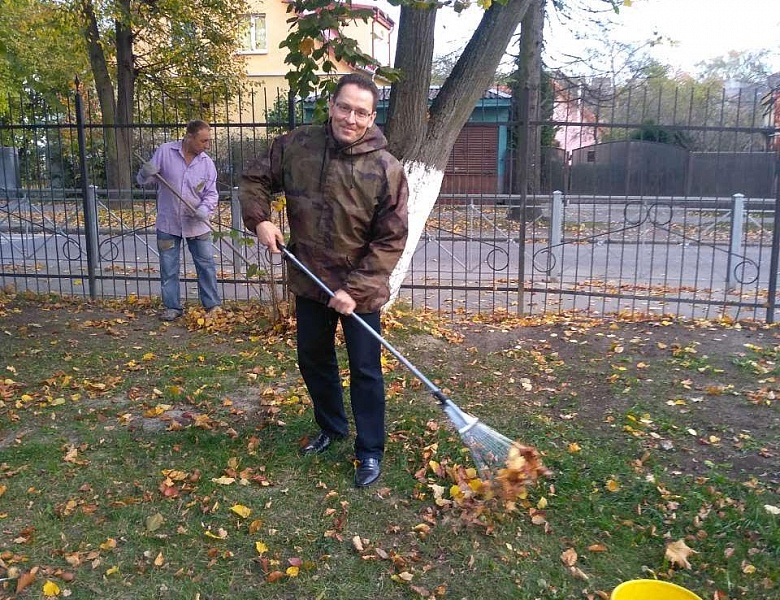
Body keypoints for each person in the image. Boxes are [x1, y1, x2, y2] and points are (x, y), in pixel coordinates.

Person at [239, 73, 409, 488]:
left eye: (361, 112)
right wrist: (260, 220)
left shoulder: (386, 168)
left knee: (365, 369)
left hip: (358, 291)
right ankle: (332, 427)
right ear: (332, 105)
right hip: (310, 278)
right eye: (345, 107)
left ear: (372, 118)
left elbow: (391, 238)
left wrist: (354, 290)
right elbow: (254, 179)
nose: (351, 118)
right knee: (313, 359)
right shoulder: (297, 146)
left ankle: (369, 449)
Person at [137, 119, 221, 322]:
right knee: (169, 267)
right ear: (189, 137)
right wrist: (144, 173)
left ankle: (212, 306)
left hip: (197, 225)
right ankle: (172, 307)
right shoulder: (165, 152)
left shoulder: (207, 164)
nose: (207, 145)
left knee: (206, 265)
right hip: (168, 223)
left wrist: (203, 208)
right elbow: (143, 181)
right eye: (203, 141)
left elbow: (212, 194)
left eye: (208, 141)